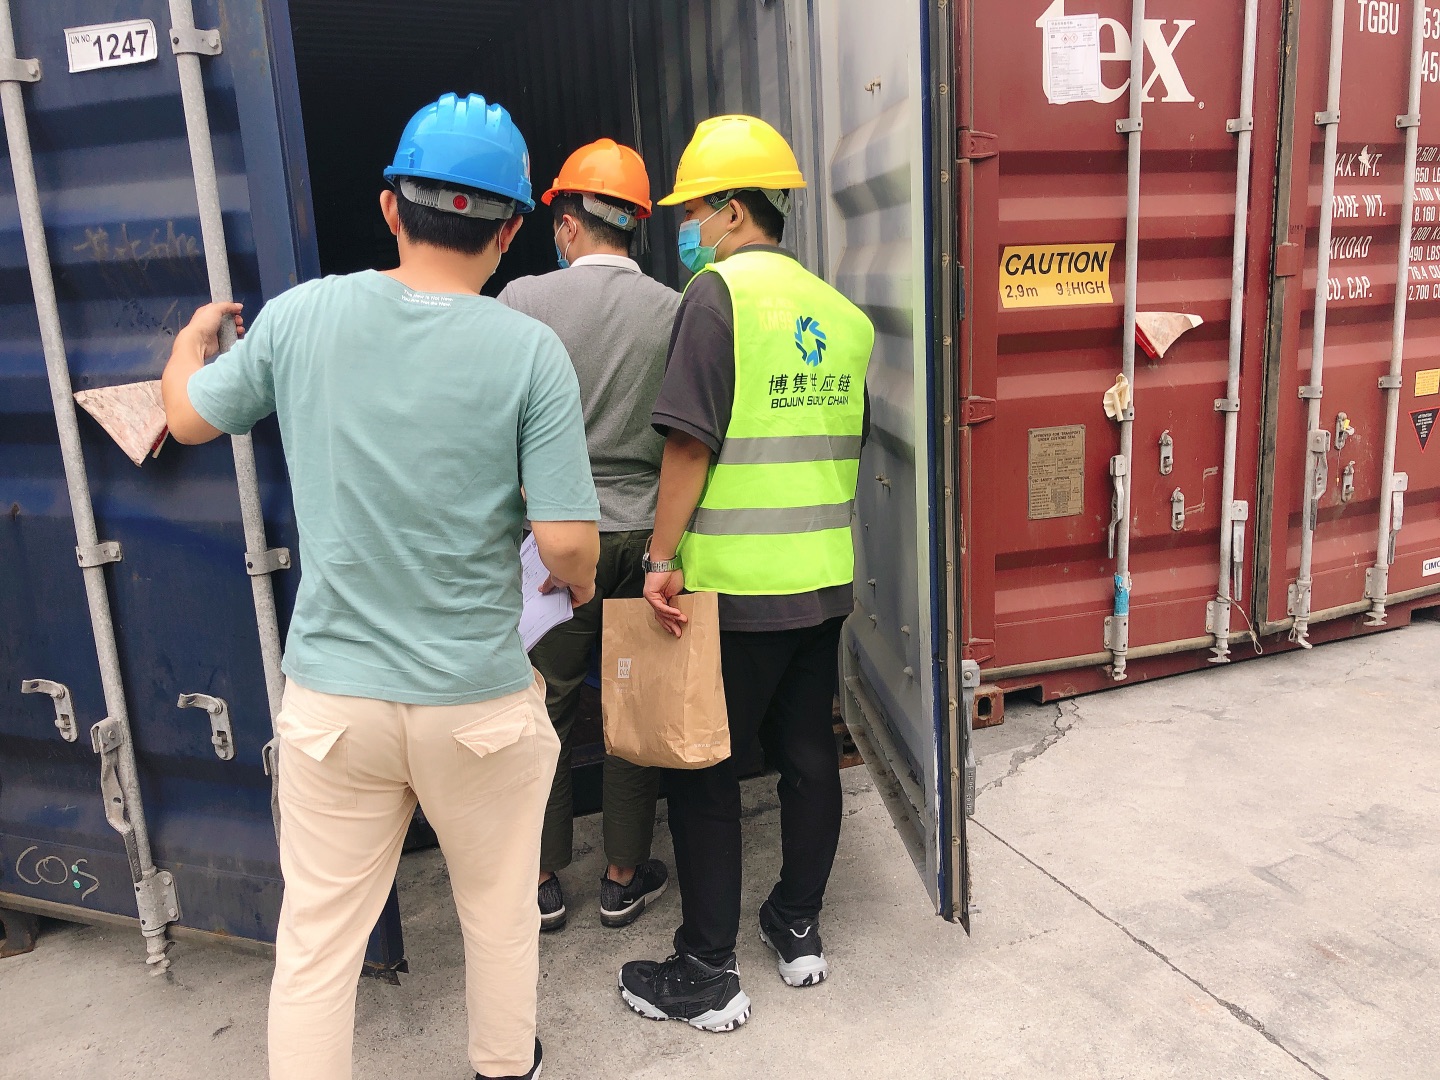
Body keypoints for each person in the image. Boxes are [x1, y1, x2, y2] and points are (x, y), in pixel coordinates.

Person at [160, 92, 600, 1080]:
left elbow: (185, 419)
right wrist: (569, 586)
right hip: (475, 704)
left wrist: (191, 342)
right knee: (498, 913)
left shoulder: (302, 316)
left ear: (392, 207)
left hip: (335, 704)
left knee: (318, 944)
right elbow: (569, 543)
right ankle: (503, 1067)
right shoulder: (529, 351)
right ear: (512, 232)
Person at [616, 115, 875, 1032]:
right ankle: (796, 925)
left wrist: (659, 560)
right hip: (821, 579)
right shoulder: (840, 313)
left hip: (733, 588)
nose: (686, 228)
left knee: (704, 772)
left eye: (693, 210)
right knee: (807, 753)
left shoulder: (716, 296)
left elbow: (689, 445)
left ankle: (705, 969)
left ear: (733, 210)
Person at [498, 139, 680, 933]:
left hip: (557, 542)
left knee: (546, 708)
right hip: (644, 535)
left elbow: (495, 426)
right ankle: (622, 877)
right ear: (636, 222)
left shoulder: (522, 300)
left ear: (568, 222)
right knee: (632, 705)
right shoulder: (675, 309)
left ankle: (541, 881)